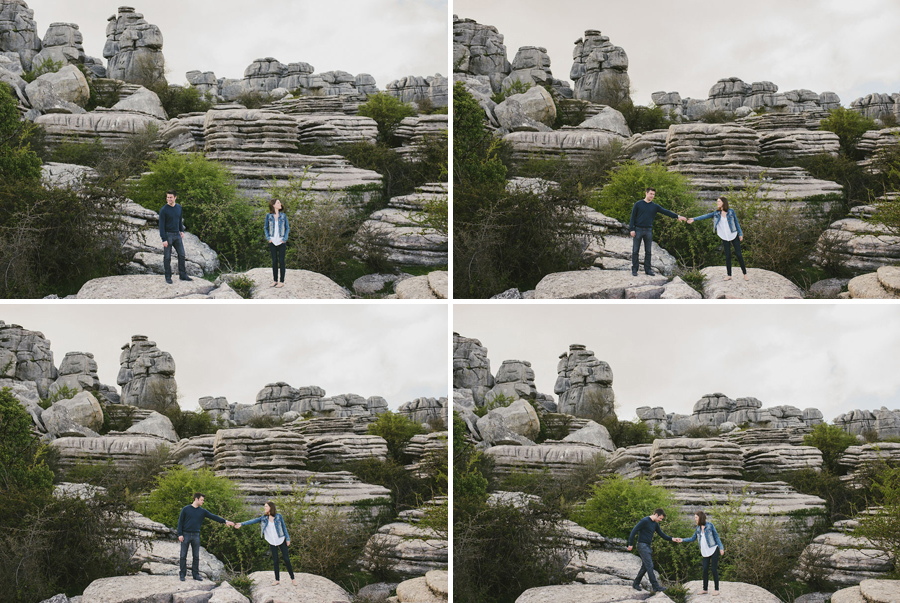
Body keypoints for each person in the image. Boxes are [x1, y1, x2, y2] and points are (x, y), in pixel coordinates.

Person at [628, 188, 687, 277]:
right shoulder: (638, 204)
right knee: (635, 250)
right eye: (650, 194)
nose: (652, 196)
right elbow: (632, 217)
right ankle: (635, 269)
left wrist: (677, 216)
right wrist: (631, 229)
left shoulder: (655, 206)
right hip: (638, 229)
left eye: (653, 194)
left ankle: (648, 270)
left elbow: (666, 212)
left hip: (648, 230)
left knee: (648, 251)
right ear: (646, 193)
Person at [176, 493, 234, 582]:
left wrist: (225, 521)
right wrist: (180, 534)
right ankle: (182, 574)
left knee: (196, 556)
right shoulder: (185, 509)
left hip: (196, 535)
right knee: (183, 555)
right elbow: (180, 522)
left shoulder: (202, 511)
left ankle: (195, 575)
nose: (203, 501)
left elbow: (213, 516)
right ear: (196, 499)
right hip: (186, 534)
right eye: (202, 500)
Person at [235, 501, 296, 586]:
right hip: (272, 541)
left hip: (281, 539)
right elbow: (253, 521)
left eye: (266, 506)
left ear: (271, 507)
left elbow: (284, 527)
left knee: (286, 559)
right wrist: (242, 524)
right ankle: (277, 580)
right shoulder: (264, 518)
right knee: (275, 560)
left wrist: (288, 539)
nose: (264, 508)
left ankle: (292, 578)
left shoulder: (278, 516)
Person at [688, 196, 748, 281]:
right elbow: (706, 216)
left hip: (733, 235)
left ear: (723, 202)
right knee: (728, 256)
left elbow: (736, 222)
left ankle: (745, 274)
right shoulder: (716, 213)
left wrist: (740, 233)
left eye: (719, 201)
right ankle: (729, 275)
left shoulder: (731, 211)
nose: (717, 203)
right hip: (724, 236)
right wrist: (694, 219)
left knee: (738, 254)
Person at [627, 508, 676, 593]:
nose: (660, 520)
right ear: (656, 515)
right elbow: (634, 531)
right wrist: (630, 544)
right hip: (642, 545)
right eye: (660, 518)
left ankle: (636, 583)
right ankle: (655, 586)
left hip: (648, 546)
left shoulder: (655, 524)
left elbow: (662, 534)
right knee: (650, 565)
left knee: (645, 566)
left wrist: (672, 539)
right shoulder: (645, 521)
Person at [679, 511, 725, 595]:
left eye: (696, 517)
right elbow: (692, 538)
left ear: (700, 517)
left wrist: (721, 548)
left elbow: (716, 537)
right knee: (704, 570)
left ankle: (716, 589)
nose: (695, 519)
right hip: (705, 552)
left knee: (714, 569)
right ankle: (705, 589)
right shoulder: (698, 528)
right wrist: (682, 540)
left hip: (713, 549)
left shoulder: (710, 525)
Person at [159, 190, 191, 284]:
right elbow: (161, 226)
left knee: (182, 255)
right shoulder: (164, 210)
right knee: (167, 257)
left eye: (170, 197)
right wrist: (163, 239)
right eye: (167, 197)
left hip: (177, 235)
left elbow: (179, 220)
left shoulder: (179, 207)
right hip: (168, 235)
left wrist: (182, 230)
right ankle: (168, 277)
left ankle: (183, 275)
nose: (169, 199)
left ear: (175, 197)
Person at [264, 198, 289, 288]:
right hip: (272, 242)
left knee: (281, 261)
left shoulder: (283, 216)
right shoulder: (268, 216)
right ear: (273, 205)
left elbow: (287, 228)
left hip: (281, 241)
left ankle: (281, 281)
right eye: (278, 203)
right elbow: (265, 227)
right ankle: (275, 280)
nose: (280, 204)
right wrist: (268, 238)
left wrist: (284, 238)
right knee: (274, 261)